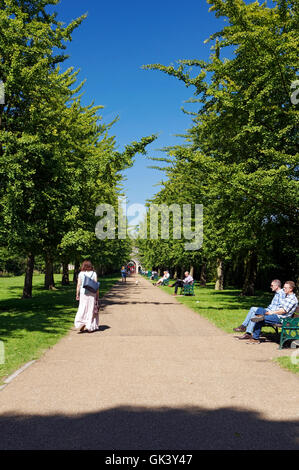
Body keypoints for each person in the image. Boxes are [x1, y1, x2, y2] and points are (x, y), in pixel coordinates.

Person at [74, 260, 99, 333]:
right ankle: (89, 326)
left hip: (83, 293)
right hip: (92, 293)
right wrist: (97, 296)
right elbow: (96, 285)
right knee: (91, 309)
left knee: (82, 308)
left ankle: (81, 323)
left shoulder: (81, 274)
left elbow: (78, 285)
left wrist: (77, 294)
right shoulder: (94, 274)